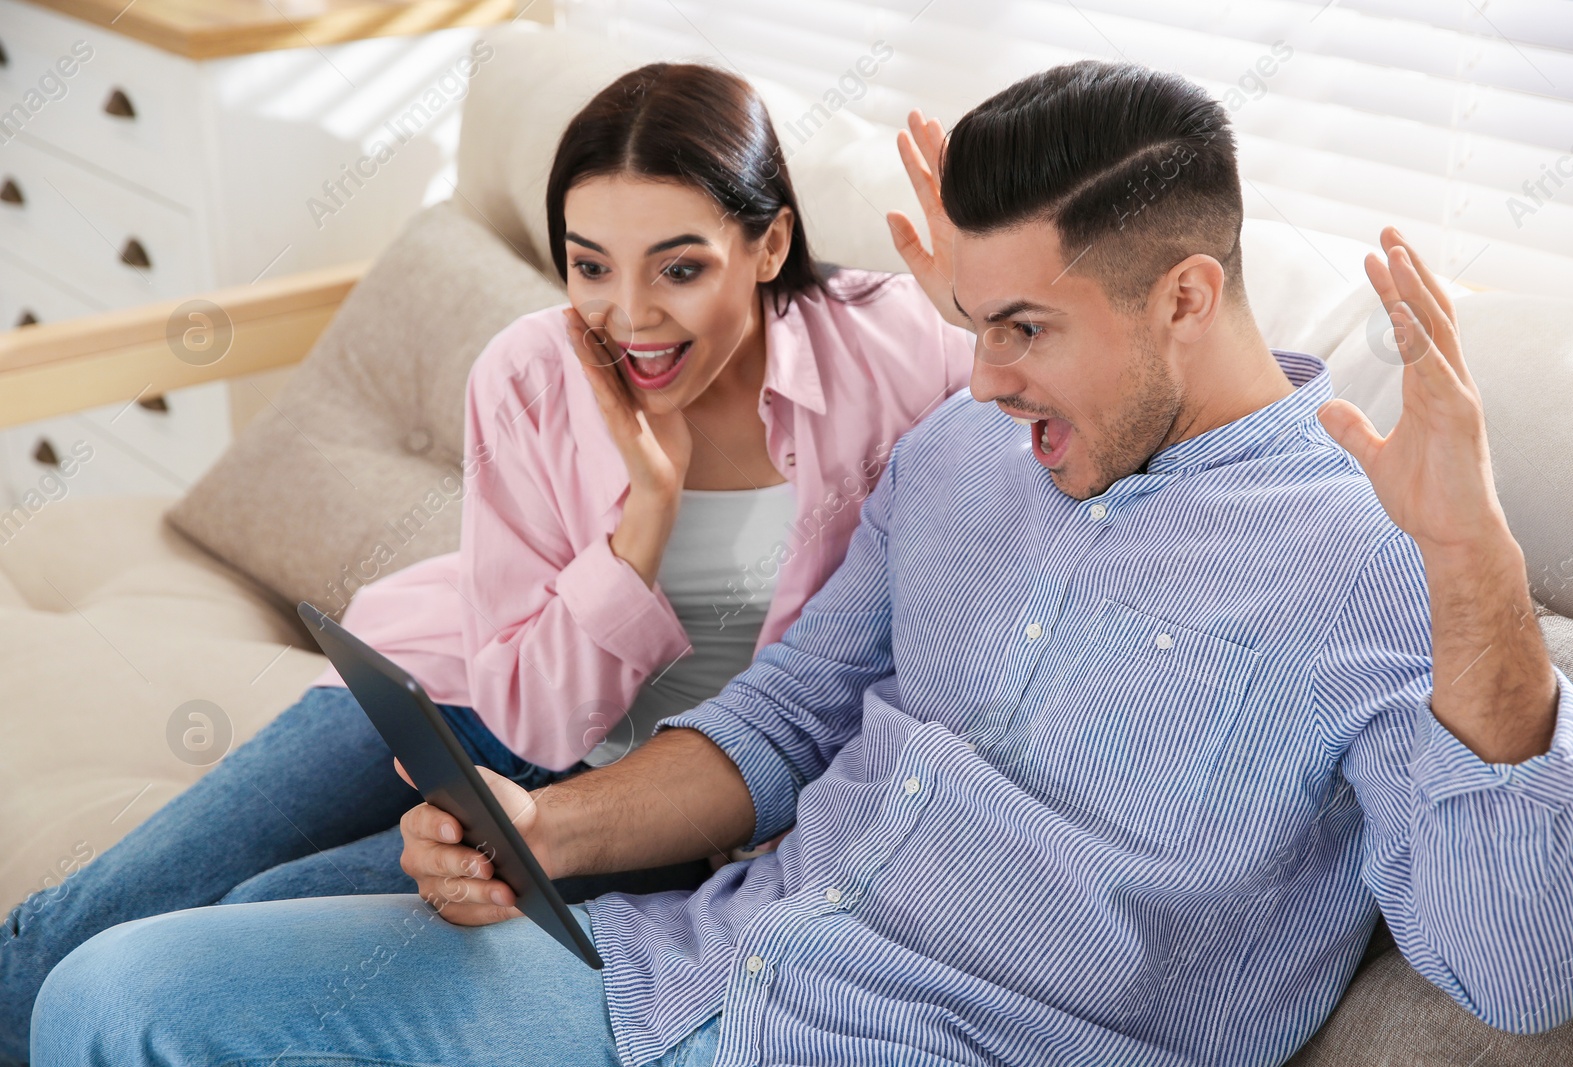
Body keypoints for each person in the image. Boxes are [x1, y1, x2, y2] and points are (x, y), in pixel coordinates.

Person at [30, 58, 1573, 1067]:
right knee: (113, 997)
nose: (980, 377)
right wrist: (543, 827)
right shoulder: (967, 448)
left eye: (1025, 329)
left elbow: (1523, 972)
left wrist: (1476, 579)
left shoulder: (1388, 565)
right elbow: (779, 724)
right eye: (973, 324)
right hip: (681, 971)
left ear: (1188, 297)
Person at [0, 62, 971, 1064]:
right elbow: (529, 713)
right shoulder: (527, 370)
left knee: (243, 923)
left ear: (767, 243)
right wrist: (645, 513)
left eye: (678, 268)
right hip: (468, 684)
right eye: (589, 265)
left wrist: (975, 309)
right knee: (105, 900)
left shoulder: (900, 347)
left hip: (646, 793)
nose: (628, 315)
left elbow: (1032, 448)